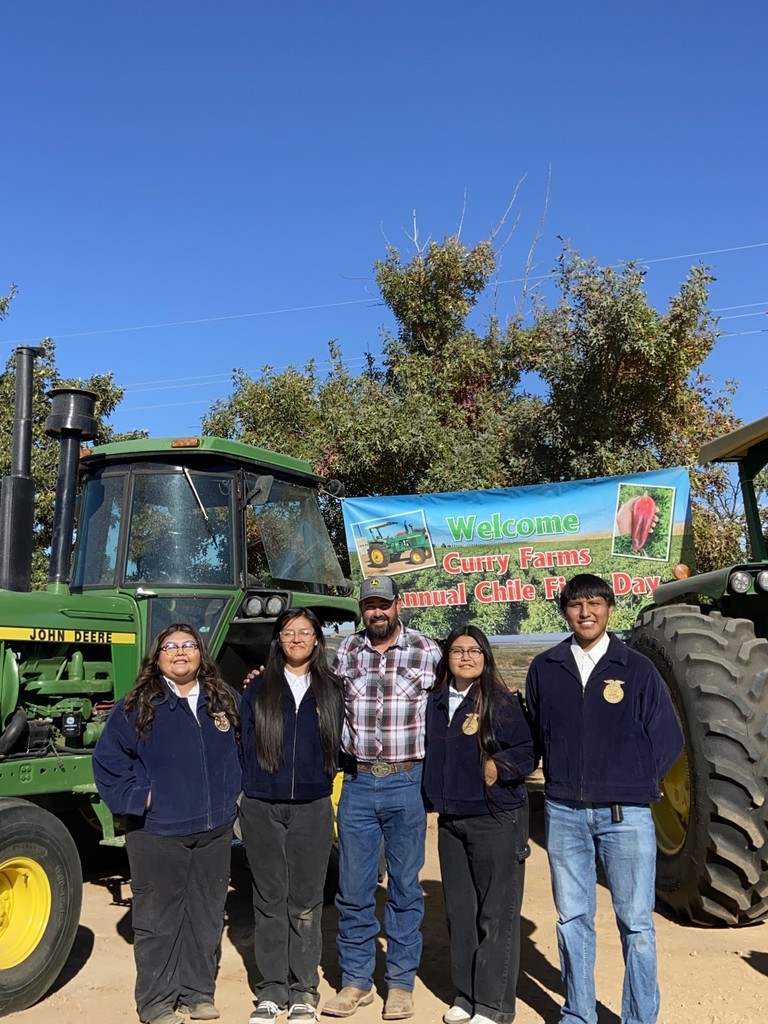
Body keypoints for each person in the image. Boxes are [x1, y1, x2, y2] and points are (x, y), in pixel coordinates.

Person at [524, 574, 683, 1024]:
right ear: (565, 612)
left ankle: (639, 1018)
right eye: (576, 605)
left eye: (595, 603)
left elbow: (668, 738)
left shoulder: (636, 668)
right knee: (572, 919)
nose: (586, 612)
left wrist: (633, 782)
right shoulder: (546, 668)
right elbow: (534, 735)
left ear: (610, 608)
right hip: (564, 813)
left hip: (626, 816)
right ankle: (578, 1013)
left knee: (637, 925)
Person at [93, 624, 242, 1024]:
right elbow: (108, 761)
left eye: (188, 645)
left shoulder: (222, 700)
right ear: (157, 657)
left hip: (214, 829)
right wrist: (138, 799)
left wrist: (233, 790)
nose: (180, 652)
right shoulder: (138, 704)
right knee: (158, 921)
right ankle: (157, 1003)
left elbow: (250, 741)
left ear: (201, 653)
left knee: (207, 914)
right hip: (157, 831)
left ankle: (197, 993)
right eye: (170, 646)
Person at [322, 575, 442, 1021]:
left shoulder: (427, 650)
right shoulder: (346, 651)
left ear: (398, 605)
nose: (377, 612)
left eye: (384, 604)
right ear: (363, 610)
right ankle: (356, 981)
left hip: (406, 781)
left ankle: (400, 983)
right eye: (370, 605)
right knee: (354, 889)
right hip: (356, 784)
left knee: (405, 888)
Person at [422, 625, 535, 1024]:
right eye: (458, 650)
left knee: (496, 914)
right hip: (452, 819)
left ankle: (493, 1006)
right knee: (461, 912)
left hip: (495, 818)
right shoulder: (435, 701)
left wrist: (499, 766)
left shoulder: (500, 701)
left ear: (486, 657)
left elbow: (526, 750)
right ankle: (467, 995)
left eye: (474, 650)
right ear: (447, 657)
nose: (466, 657)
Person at [239, 608, 345, 1024]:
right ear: (278, 640)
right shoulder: (257, 687)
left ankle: (303, 990)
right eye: (288, 632)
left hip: (312, 807)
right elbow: (242, 741)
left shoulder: (332, 689)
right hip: (262, 806)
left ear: (316, 639)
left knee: (305, 902)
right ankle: (271, 990)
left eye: (304, 632)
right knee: (269, 899)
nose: (296, 639)